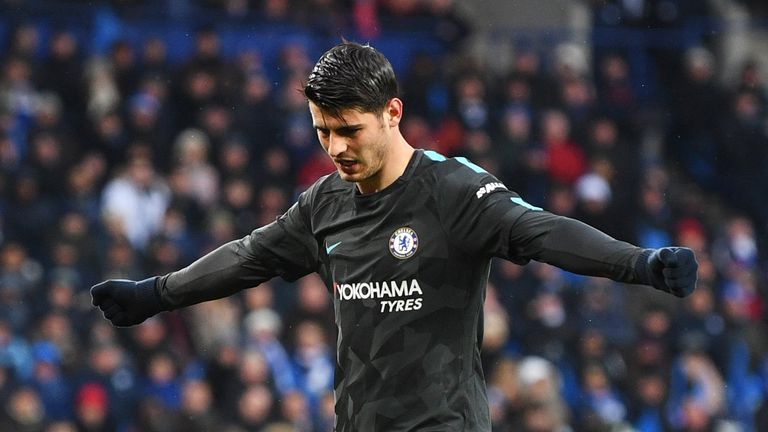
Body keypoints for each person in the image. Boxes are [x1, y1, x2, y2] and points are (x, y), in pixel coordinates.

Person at [92, 41, 698, 432]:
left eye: (348, 130)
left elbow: (541, 231)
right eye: (322, 131)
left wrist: (640, 263)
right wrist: (154, 294)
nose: (334, 148)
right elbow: (250, 257)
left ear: (393, 113)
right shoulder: (324, 204)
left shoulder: (453, 191)